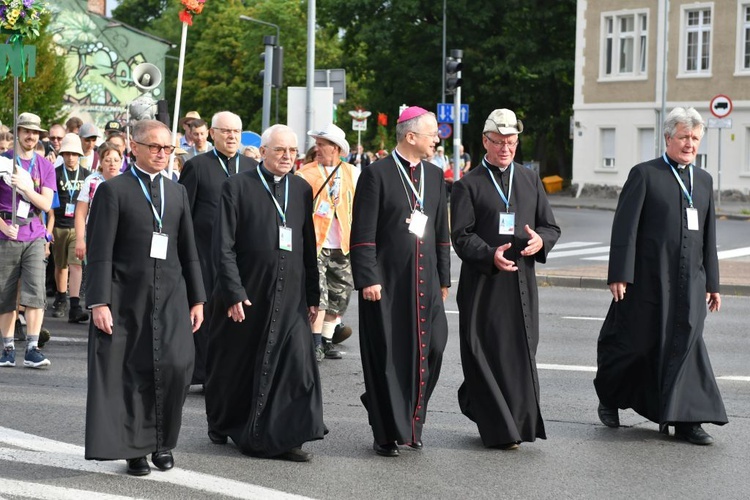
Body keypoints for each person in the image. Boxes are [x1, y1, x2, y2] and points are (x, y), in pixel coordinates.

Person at [594, 107, 727, 445]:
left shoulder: (705, 180)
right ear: (668, 138)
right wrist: (619, 275)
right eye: (684, 137)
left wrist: (713, 283)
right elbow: (625, 229)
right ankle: (610, 396)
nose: (690, 144)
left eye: (695, 138)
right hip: (648, 282)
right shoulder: (645, 175)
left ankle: (687, 421)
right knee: (636, 347)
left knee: (687, 348)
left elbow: (709, 236)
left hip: (690, 283)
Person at [84, 119, 205, 476]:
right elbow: (100, 250)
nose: (162, 154)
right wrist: (98, 301)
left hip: (170, 295)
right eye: (154, 147)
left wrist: (197, 299)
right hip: (125, 297)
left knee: (177, 366)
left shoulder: (177, 191)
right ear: (133, 148)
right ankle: (135, 449)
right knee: (132, 373)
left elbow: (189, 250)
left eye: (167, 148)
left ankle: (163, 442)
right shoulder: (113, 190)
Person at [205, 124, 324, 462]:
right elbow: (223, 246)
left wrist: (312, 294)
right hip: (248, 290)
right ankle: (224, 420)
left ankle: (291, 435)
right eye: (280, 151)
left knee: (297, 364)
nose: (287, 157)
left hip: (291, 295)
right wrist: (232, 291)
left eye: (292, 151)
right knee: (236, 362)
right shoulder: (237, 187)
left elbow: (306, 244)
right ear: (263, 152)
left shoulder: (301, 189)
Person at [450, 108, 561, 450]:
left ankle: (516, 423)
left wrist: (542, 240)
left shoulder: (529, 179)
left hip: (522, 285)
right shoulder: (469, 184)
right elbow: (461, 235)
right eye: (498, 142)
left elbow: (550, 226)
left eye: (511, 142)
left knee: (518, 354)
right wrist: (488, 254)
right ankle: (498, 427)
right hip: (485, 285)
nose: (505, 149)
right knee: (486, 351)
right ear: (485, 141)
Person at [350, 106, 450, 457]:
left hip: (427, 283)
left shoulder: (435, 177)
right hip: (387, 284)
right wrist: (368, 278)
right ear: (411, 137)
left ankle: (410, 420)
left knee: (434, 346)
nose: (437, 139)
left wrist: (444, 278)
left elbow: (440, 232)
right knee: (389, 357)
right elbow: (362, 233)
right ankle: (387, 432)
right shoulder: (376, 174)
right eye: (432, 133)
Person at [179, 111, 258, 389]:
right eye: (225, 131)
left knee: (239, 313)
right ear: (212, 134)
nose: (232, 136)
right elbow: (183, 212)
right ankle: (204, 373)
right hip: (205, 254)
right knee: (208, 314)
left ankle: (234, 373)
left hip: (242, 256)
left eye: (236, 131)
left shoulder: (252, 166)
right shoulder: (198, 166)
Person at [296, 124, 358, 361]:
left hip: (343, 244)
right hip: (315, 245)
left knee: (339, 296)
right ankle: (315, 343)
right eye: (317, 144)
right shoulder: (304, 174)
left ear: (336, 148)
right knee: (319, 296)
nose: (317, 149)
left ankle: (328, 339)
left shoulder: (352, 173)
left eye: (322, 145)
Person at [0, 112, 56, 369]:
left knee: (35, 292)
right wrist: (1, 225)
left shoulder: (44, 166)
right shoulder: (3, 161)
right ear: (17, 133)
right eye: (26, 131)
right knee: (5, 294)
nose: (31, 136)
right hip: (6, 233)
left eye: (35, 132)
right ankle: (8, 348)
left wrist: (26, 188)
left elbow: (45, 203)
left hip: (33, 232)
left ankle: (32, 348)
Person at [49, 133, 92, 323]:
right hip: (59, 225)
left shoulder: (86, 175)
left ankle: (75, 305)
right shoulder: (55, 173)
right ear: (62, 154)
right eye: (67, 153)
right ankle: (60, 297)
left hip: (78, 226)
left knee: (76, 264)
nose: (71, 157)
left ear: (79, 155)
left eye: (74, 154)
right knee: (60, 265)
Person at [74, 142, 122, 262]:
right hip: (96, 234)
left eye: (116, 160)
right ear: (101, 161)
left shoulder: (126, 182)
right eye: (108, 160)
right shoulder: (91, 181)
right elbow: (80, 213)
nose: (112, 164)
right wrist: (80, 239)